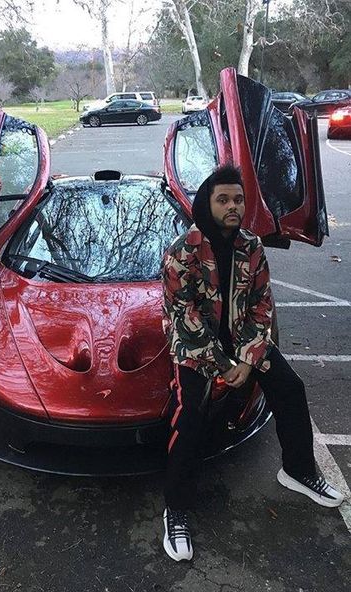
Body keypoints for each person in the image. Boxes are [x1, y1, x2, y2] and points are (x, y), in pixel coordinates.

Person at [160, 164, 344, 562]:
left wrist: (247, 358)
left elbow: (262, 306)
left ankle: (297, 470)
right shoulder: (182, 251)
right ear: (207, 203)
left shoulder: (251, 247)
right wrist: (223, 364)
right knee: (189, 413)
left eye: (238, 200)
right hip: (197, 349)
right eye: (223, 199)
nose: (232, 207)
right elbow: (183, 315)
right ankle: (175, 508)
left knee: (290, 388)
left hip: (244, 342)